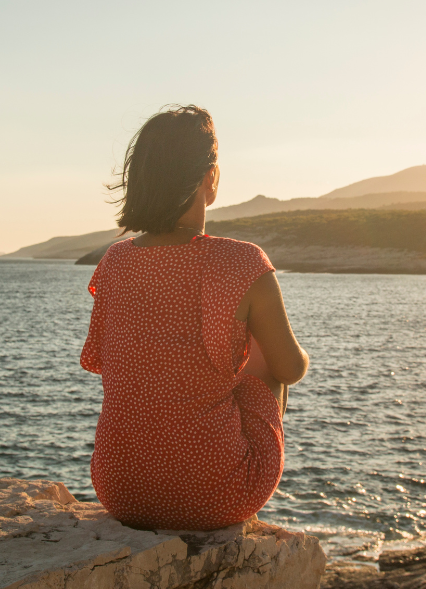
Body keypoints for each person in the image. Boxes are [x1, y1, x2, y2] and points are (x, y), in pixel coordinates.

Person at [80, 105, 308, 531]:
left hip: (120, 492)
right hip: (215, 496)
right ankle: (242, 509)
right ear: (211, 178)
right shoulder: (241, 261)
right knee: (264, 366)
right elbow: (289, 369)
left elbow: (110, 364)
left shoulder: (114, 261)